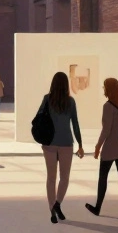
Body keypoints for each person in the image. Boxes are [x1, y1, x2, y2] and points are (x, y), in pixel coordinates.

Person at [86, 77, 118, 221]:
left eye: (104, 87)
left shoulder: (108, 106)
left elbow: (106, 130)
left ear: (108, 89)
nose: (103, 89)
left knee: (103, 177)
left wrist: (97, 146)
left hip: (111, 148)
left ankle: (97, 207)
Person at [38, 72, 84, 224]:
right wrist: (80, 144)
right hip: (66, 143)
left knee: (51, 178)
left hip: (49, 143)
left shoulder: (47, 99)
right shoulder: (70, 101)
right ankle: (58, 204)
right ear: (66, 84)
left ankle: (52, 209)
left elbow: (39, 117)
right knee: (65, 178)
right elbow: (75, 124)